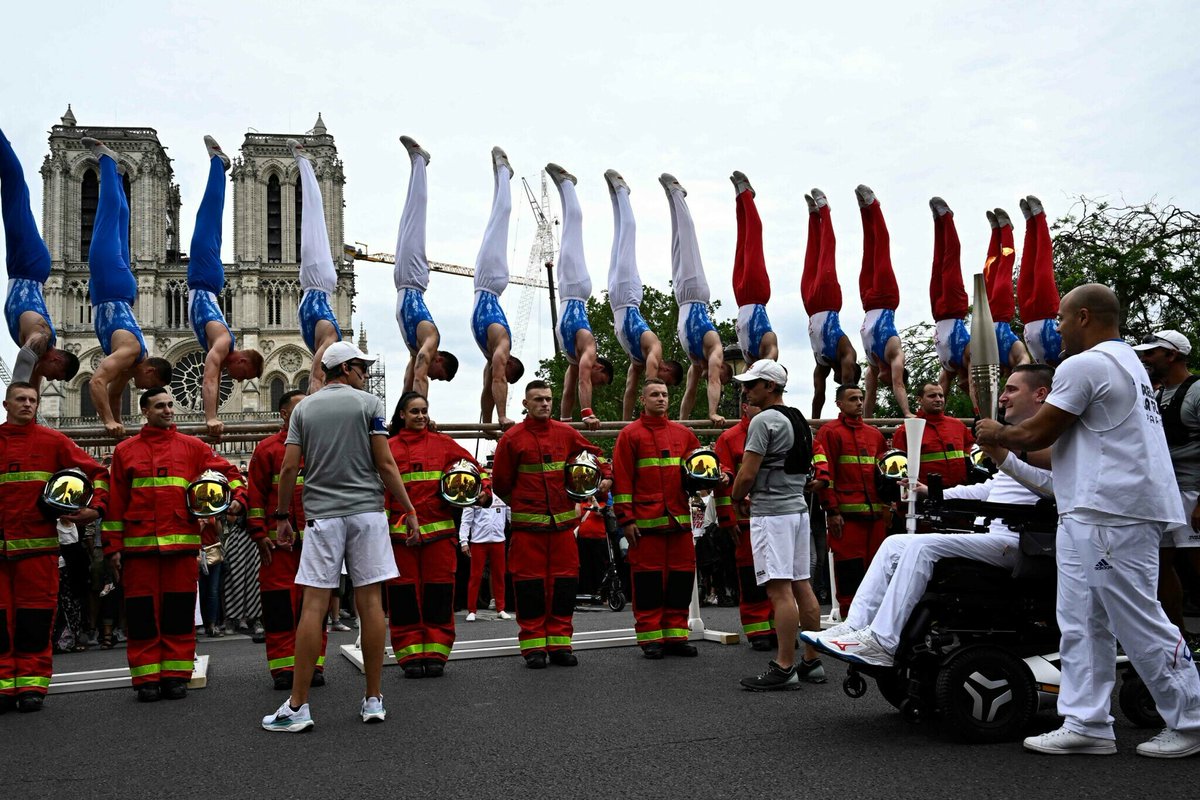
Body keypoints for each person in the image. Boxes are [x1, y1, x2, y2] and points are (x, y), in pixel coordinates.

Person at [976, 284, 1200, 758]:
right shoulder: (1129, 367)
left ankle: (1192, 718)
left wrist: (1000, 432)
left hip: (1111, 511)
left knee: (1137, 617)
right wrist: (1004, 449)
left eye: (1059, 318)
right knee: (1080, 620)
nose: (1054, 328)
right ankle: (1087, 722)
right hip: (1090, 508)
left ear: (1082, 317)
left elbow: (1037, 431)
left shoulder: (1087, 365)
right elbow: (1058, 452)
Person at [805, 364, 1055, 667]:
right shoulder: (1021, 442)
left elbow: (1054, 489)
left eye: (1011, 389)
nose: (1002, 397)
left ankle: (883, 642)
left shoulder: (1052, 439)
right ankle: (855, 625)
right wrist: (931, 493)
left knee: (924, 546)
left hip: (1022, 541)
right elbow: (989, 490)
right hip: (994, 534)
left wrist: (1003, 455)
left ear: (1040, 394)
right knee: (896, 543)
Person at [261, 342, 419, 732]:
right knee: (370, 602)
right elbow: (384, 462)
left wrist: (283, 516)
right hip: (367, 513)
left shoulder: (304, 409)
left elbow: (288, 469)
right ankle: (373, 699)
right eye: (361, 367)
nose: (365, 372)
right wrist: (408, 508)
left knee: (313, 605)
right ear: (345, 368)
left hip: (322, 516)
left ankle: (299, 706)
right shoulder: (369, 405)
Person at [104, 387, 245, 703]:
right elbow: (115, 505)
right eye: (160, 406)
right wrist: (112, 547)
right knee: (142, 617)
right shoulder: (126, 451)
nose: (168, 410)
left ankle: (175, 676)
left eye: (170, 404)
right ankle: (146, 680)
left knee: (178, 615)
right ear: (145, 411)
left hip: (181, 548)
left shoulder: (192, 447)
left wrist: (239, 498)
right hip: (139, 550)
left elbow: (229, 471)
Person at [0, 382, 108, 713]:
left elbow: (98, 472)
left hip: (39, 551)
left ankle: (32, 684)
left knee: (35, 620)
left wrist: (95, 509)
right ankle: (4, 685)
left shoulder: (53, 440)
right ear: (6, 404)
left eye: (33, 400)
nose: (28, 404)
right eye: (21, 399)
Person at [492, 380, 610, 668]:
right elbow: (500, 484)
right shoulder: (512, 439)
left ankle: (560, 644)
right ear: (525, 404)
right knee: (530, 589)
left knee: (564, 587)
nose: (544, 404)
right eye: (538, 399)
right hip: (527, 531)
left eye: (548, 399)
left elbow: (596, 455)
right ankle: (533, 647)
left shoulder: (566, 433)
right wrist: (523, 508)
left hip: (562, 530)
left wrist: (606, 475)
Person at [727, 360, 825, 689]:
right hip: (798, 511)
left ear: (770, 386)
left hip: (772, 513)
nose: (745, 389)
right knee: (802, 585)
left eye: (752, 384)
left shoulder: (763, 421)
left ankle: (784, 666)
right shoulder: (799, 419)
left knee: (779, 590)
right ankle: (812, 661)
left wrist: (735, 495)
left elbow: (748, 473)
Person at [385, 391, 489, 679]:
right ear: (402, 415)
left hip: (440, 537)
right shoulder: (387, 447)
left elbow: (476, 471)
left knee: (438, 595)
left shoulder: (443, 444)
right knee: (404, 598)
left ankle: (436, 653)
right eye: (414, 411)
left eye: (424, 411)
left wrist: (483, 493)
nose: (420, 416)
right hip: (400, 538)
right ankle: (409, 655)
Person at [77, 138, 172, 437]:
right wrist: (107, 422)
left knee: (118, 226)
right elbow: (95, 382)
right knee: (105, 222)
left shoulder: (131, 363)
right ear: (151, 370)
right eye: (149, 384)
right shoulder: (131, 351)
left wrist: (120, 431)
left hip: (119, 289)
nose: (142, 389)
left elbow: (115, 394)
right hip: (110, 288)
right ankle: (106, 162)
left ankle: (117, 175)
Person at [613, 379, 702, 659]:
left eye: (664, 394)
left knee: (680, 580)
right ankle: (650, 638)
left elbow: (700, 467)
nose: (661, 399)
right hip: (645, 525)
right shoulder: (629, 435)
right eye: (654, 394)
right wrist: (625, 519)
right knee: (648, 583)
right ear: (643, 400)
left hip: (678, 523)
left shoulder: (683, 434)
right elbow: (623, 480)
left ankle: (676, 636)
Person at [246, 389, 328, 690]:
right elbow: (255, 494)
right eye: (300, 407)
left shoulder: (322, 445)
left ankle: (314, 664)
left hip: (316, 543)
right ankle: (283, 668)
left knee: (314, 608)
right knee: (280, 607)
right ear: (284, 414)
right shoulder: (267, 449)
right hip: (278, 547)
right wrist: (258, 534)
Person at [184, 136, 264, 438]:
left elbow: (213, 376)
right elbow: (209, 378)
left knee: (208, 223)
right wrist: (212, 417)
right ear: (243, 360)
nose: (241, 380)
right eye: (245, 376)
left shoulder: (221, 343)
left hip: (204, 280)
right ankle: (219, 164)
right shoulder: (222, 343)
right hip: (204, 279)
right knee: (207, 219)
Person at [0, 129, 80, 391]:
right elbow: (25, 358)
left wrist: (28, 418)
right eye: (55, 375)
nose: (49, 378)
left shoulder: (41, 351)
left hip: (23, 268)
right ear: (56, 358)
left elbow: (32, 370)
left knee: (15, 199)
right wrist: (16, 398)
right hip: (29, 267)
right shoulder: (43, 339)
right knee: (15, 195)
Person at [1135, 330, 1200, 644]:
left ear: (1172, 355)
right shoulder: (1156, 396)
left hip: (1193, 492)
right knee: (1161, 567)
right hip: (1164, 495)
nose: (1145, 359)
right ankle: (1179, 636)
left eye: (1151, 353)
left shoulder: (1197, 391)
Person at [604, 169, 683, 420]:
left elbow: (630, 390)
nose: (663, 387)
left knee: (617, 239)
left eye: (665, 389)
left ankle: (616, 197)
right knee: (627, 235)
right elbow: (649, 386)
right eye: (667, 382)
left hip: (616, 301)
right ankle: (623, 193)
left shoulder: (637, 361)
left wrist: (626, 424)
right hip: (628, 297)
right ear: (668, 368)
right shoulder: (654, 352)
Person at [813, 383, 889, 614]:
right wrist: (832, 512)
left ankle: (875, 620)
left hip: (875, 517)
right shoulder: (830, 432)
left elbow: (883, 477)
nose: (858, 403)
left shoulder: (875, 435)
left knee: (877, 570)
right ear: (839, 404)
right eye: (853, 399)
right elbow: (827, 476)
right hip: (846, 519)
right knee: (849, 570)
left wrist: (887, 507)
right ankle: (849, 618)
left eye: (860, 398)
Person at [547, 163, 612, 428]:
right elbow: (584, 381)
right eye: (602, 382)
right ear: (600, 368)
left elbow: (567, 390)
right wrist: (588, 412)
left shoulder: (574, 359)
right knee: (573, 229)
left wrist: (563, 422)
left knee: (568, 235)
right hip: (576, 289)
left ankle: (564, 187)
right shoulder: (589, 348)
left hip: (566, 291)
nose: (598, 385)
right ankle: (567, 185)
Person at [393, 135, 458, 397]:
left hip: (403, 281)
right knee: (415, 216)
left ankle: (417, 163)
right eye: (439, 378)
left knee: (406, 219)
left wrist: (401, 413)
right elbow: (420, 373)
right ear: (439, 360)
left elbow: (409, 377)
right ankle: (420, 161)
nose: (433, 378)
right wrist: (422, 411)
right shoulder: (432, 339)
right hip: (413, 279)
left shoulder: (415, 348)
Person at [662, 173, 727, 425]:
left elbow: (689, 393)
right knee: (688, 240)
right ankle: (677, 193)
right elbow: (713, 381)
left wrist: (681, 422)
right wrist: (712, 412)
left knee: (676, 243)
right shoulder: (715, 349)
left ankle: (671, 197)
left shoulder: (694, 364)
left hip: (681, 297)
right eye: (723, 376)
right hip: (696, 294)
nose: (714, 376)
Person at [714, 392, 774, 650]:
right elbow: (720, 484)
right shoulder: (728, 438)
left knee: (777, 575)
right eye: (758, 406)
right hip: (745, 522)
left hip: (775, 516)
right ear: (745, 407)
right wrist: (727, 519)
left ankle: (776, 625)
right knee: (751, 575)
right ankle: (757, 629)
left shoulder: (776, 429)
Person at [471, 147, 524, 430]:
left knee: (495, 217)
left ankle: (500, 175)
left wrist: (488, 423)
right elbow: (498, 380)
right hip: (491, 282)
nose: (501, 369)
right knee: (501, 216)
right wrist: (504, 417)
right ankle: (504, 173)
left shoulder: (490, 358)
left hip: (484, 285)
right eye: (506, 368)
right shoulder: (503, 344)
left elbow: (487, 389)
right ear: (511, 362)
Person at [290, 139, 346, 394]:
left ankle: (304, 163)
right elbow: (315, 375)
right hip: (321, 279)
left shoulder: (326, 344)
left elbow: (316, 375)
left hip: (309, 283)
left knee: (311, 223)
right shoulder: (332, 339)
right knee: (314, 218)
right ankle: (304, 163)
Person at [802, 188, 860, 419]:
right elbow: (848, 387)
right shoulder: (847, 355)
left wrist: (814, 423)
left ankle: (813, 216)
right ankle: (825, 210)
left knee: (811, 256)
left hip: (810, 307)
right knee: (826, 253)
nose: (840, 378)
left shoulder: (822, 363)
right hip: (828, 302)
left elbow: (819, 394)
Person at [856, 185, 912, 418]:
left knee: (868, 249)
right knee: (881, 250)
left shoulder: (871, 365)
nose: (887, 383)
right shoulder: (894, 356)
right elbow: (899, 385)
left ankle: (863, 210)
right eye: (889, 381)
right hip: (886, 298)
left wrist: (866, 423)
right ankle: (874, 207)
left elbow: (868, 397)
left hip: (868, 302)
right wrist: (907, 413)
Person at [730, 171, 778, 364]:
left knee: (741, 241)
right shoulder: (767, 345)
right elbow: (772, 357)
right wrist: (762, 370)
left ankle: (740, 199)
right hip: (756, 294)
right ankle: (747, 195)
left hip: (740, 299)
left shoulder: (747, 357)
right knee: (753, 238)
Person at [892, 384, 975, 489]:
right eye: (932, 396)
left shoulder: (958, 426)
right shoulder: (906, 430)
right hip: (924, 496)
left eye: (941, 395)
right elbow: (900, 471)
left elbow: (971, 458)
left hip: (959, 494)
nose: (938, 399)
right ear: (919, 400)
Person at [928, 197, 971, 398]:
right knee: (950, 261)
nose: (963, 384)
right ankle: (947, 218)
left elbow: (939, 391)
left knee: (937, 263)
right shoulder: (969, 358)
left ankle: (937, 222)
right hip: (954, 309)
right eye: (967, 384)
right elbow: (973, 380)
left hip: (937, 313)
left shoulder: (947, 370)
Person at [982, 207, 1032, 373]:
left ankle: (995, 231)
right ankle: (1006, 229)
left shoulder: (989, 359)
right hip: (1001, 312)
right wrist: (1016, 373)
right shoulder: (1012, 351)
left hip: (986, 314)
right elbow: (1025, 360)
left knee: (989, 267)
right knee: (1004, 266)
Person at [1017, 195, 1063, 365]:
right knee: (1042, 264)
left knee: (1027, 263)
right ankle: (1038, 217)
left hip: (1027, 316)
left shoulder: (1043, 377)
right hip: (1046, 312)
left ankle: (1029, 222)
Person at [460, 494, 511, 621]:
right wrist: (464, 542)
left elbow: (510, 513)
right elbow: (466, 520)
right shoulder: (474, 496)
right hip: (478, 542)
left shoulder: (500, 495)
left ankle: (501, 608)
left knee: (499, 575)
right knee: (475, 576)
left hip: (498, 540)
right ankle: (472, 610)